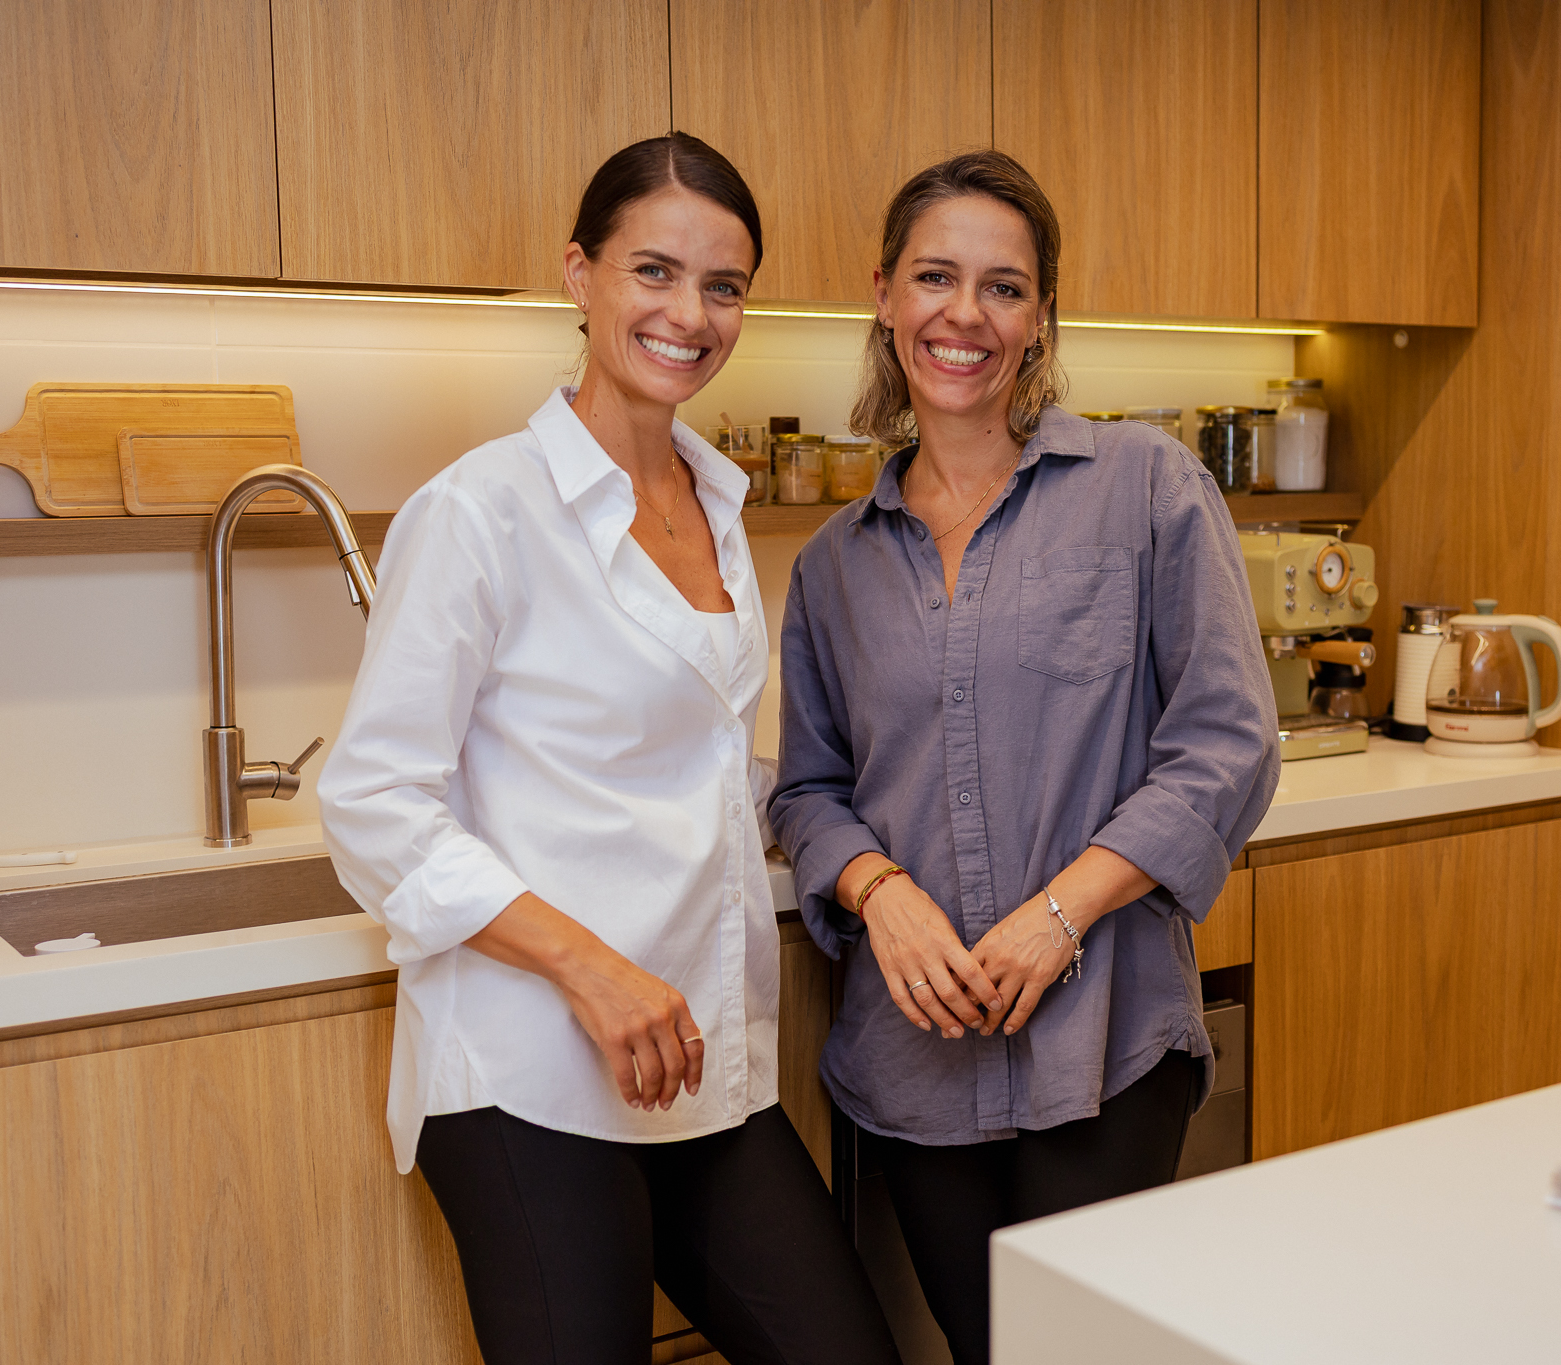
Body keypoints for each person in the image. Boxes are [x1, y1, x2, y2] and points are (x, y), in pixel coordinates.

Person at [320, 132, 898, 1365]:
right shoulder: (482, 511)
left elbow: (686, 762)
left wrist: (865, 840)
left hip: (696, 1058)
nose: (689, 314)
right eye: (653, 271)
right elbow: (374, 804)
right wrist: (590, 968)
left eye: (724, 285)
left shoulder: (720, 500)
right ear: (578, 275)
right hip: (531, 1066)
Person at [770, 149, 1281, 1365]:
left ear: (1041, 314)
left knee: (1081, 1352)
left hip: (1101, 1036)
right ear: (885, 295)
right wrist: (876, 893)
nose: (965, 314)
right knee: (981, 1345)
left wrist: (1060, 914)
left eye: (1003, 287)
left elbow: (1226, 743)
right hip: (914, 1057)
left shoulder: (1143, 486)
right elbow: (806, 785)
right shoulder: (833, 562)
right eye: (935, 277)